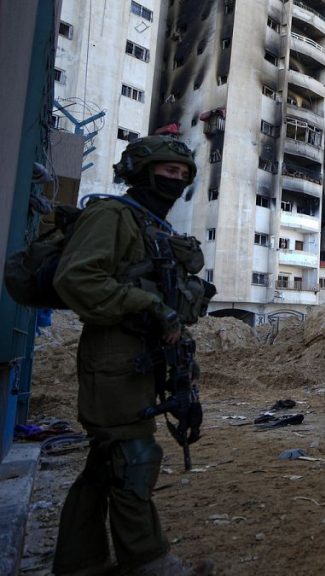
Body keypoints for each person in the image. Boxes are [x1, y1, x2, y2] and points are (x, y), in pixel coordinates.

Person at [51, 135, 213, 576]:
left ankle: (79, 561)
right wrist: (147, 306)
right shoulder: (111, 215)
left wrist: (181, 354)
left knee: (107, 461)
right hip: (114, 355)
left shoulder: (156, 228)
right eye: (166, 171)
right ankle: (147, 560)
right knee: (134, 456)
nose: (174, 180)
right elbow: (77, 278)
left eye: (182, 175)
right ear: (141, 171)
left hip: (146, 357)